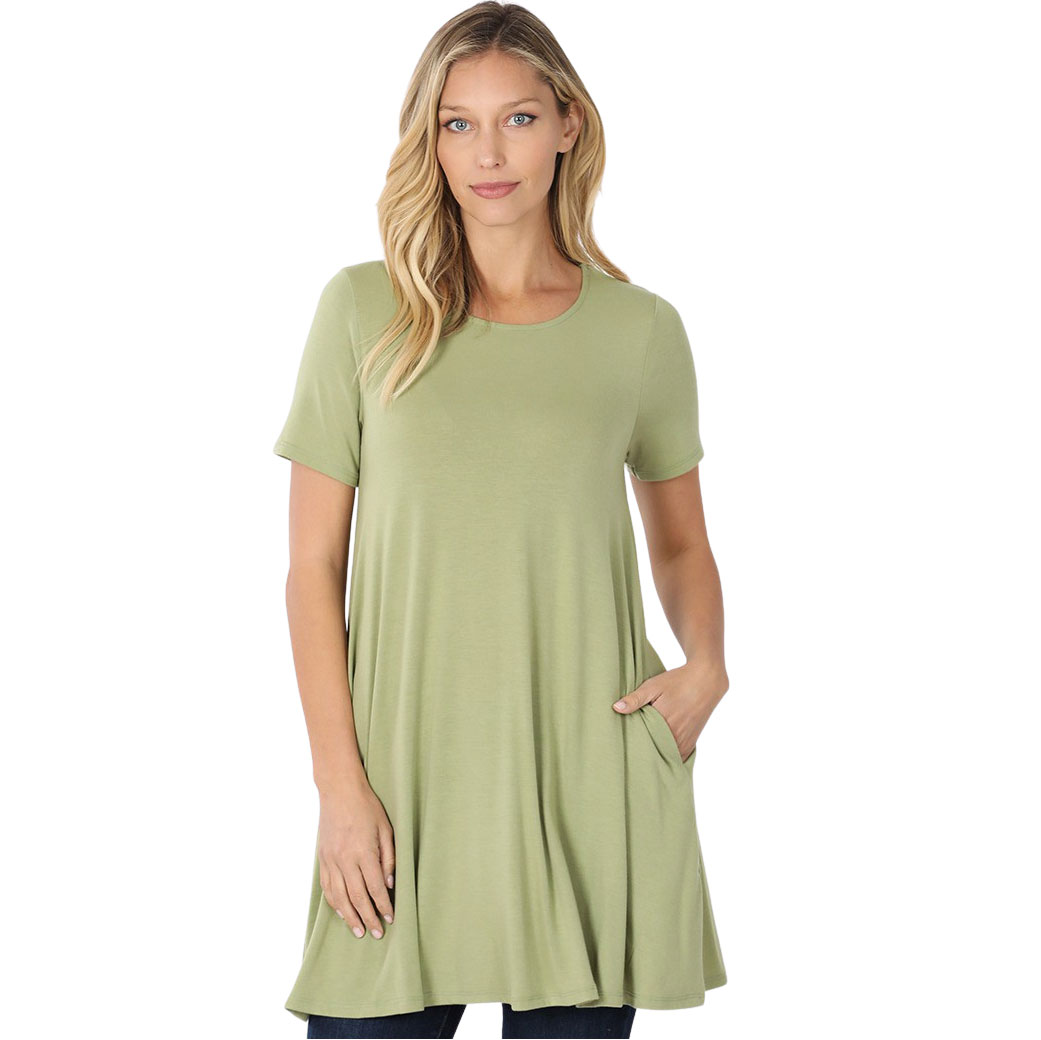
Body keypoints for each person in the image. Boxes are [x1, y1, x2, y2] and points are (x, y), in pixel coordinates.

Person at [273, 4, 730, 1038]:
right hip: (401, 791)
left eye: (518, 118)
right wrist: (339, 786)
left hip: (588, 783)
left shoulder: (639, 330)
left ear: (568, 124)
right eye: (458, 123)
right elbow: (311, 567)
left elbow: (681, 540)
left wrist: (706, 663)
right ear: (428, 140)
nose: (488, 154)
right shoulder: (361, 311)